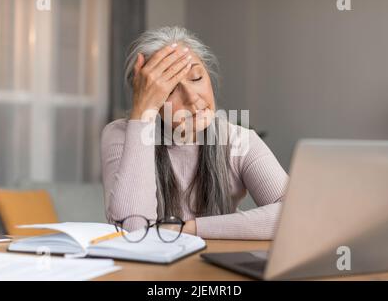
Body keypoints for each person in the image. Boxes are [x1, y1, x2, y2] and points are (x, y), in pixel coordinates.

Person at [101, 26, 288, 240]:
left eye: (197, 78)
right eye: (169, 90)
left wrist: (184, 229)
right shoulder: (120, 136)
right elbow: (133, 233)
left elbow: (294, 216)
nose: (192, 97)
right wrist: (142, 113)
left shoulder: (238, 140)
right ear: (146, 95)